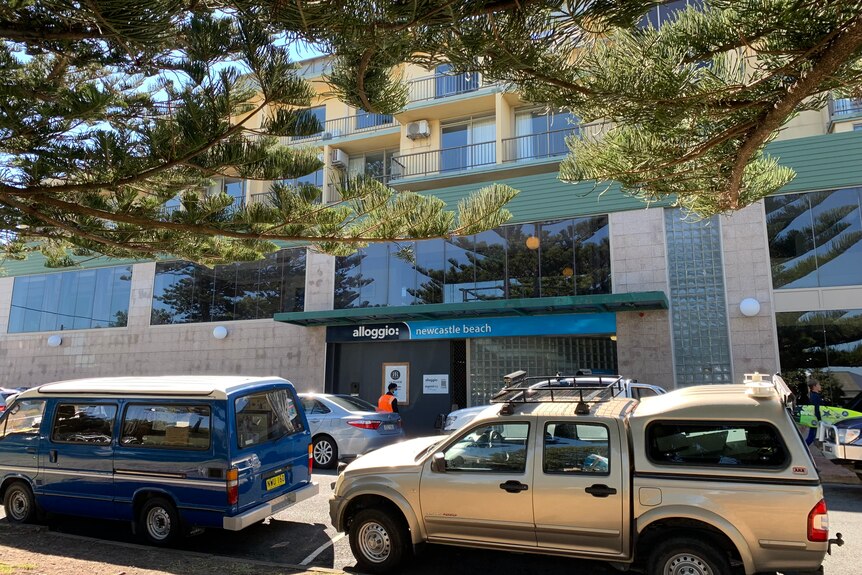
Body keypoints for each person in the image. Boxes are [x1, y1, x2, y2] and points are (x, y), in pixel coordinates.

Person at [806, 380, 822, 446]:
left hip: (814, 418)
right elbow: (816, 408)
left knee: (812, 436)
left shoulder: (813, 395)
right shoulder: (815, 396)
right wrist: (819, 419)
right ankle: (804, 448)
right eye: (819, 385)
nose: (820, 386)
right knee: (811, 436)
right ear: (814, 386)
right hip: (815, 418)